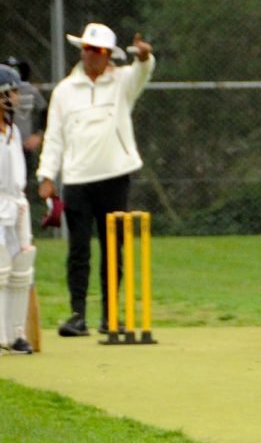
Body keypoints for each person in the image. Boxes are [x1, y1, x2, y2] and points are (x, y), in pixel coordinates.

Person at [37, 23, 155, 337]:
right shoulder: (64, 91)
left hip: (114, 177)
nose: (92, 56)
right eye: (88, 49)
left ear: (109, 55)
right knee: (78, 251)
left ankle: (109, 316)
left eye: (99, 51)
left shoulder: (122, 82)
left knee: (112, 249)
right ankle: (77, 315)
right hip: (77, 180)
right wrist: (47, 175)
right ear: (82, 51)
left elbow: (141, 72)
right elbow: (55, 137)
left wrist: (144, 57)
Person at [0, 64, 37, 354]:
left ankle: (15, 335)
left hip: (16, 204)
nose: (15, 97)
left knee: (22, 269)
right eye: (11, 91)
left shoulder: (11, 130)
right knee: (0, 269)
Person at [3, 57, 47, 201]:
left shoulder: (30, 90)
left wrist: (38, 135)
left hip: (23, 146)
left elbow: (45, 112)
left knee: (22, 183)